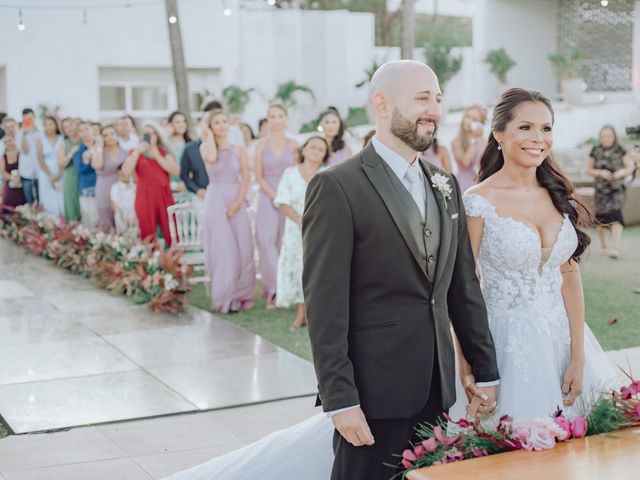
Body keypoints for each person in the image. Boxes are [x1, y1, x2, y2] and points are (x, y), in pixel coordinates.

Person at [164, 60, 499, 480]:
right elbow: (325, 304)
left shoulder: (445, 184)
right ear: (381, 103)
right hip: (373, 393)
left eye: (437, 99)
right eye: (421, 99)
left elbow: (461, 288)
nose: (433, 109)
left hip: (437, 388)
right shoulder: (337, 186)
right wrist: (341, 400)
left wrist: (485, 369)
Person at [450, 88, 621, 423]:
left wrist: (578, 357)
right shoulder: (477, 201)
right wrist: (465, 359)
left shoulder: (559, 195)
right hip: (504, 343)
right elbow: (461, 286)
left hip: (562, 339)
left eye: (546, 128)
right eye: (525, 127)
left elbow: (569, 277)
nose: (538, 138)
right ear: (499, 134)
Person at [200, 109, 255, 313]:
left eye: (224, 121)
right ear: (210, 126)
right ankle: (224, 296)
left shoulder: (239, 150)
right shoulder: (206, 148)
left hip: (235, 197)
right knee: (223, 248)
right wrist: (208, 135)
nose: (222, 125)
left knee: (243, 246)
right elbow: (212, 157)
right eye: (217, 123)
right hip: (215, 199)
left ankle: (243, 294)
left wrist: (238, 203)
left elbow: (246, 177)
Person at [274, 136, 329, 329]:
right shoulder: (290, 173)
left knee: (317, 270)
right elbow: (282, 201)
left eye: (321, 149)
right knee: (299, 269)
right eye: (312, 147)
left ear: (324, 156)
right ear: (304, 150)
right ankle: (300, 314)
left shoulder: (327, 175)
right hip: (295, 230)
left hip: (321, 230)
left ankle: (317, 314)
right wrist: (301, 221)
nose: (315, 151)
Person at [254, 102, 298, 307]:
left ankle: (287, 288)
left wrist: (286, 197)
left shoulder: (294, 144)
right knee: (265, 241)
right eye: (272, 116)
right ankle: (273, 289)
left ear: (286, 119)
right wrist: (274, 195)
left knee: (284, 242)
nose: (276, 120)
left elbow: (297, 172)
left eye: (280, 116)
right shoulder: (261, 144)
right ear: (268, 120)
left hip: (289, 198)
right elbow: (258, 174)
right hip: (267, 196)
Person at [122, 121, 179, 246]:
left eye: (152, 133)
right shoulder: (134, 152)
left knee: (171, 229)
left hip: (164, 194)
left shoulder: (164, 152)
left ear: (157, 136)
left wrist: (157, 156)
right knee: (147, 231)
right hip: (144, 194)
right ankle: (151, 261)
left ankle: (174, 261)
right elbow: (126, 172)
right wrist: (137, 152)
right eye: (146, 134)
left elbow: (175, 171)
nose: (150, 136)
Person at [585, 125, 636, 258]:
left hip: (617, 190)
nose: (606, 138)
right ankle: (603, 246)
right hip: (601, 191)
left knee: (616, 217)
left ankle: (614, 248)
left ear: (614, 137)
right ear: (600, 137)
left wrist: (622, 172)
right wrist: (600, 172)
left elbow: (631, 167)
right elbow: (588, 169)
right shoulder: (595, 150)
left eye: (609, 136)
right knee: (601, 220)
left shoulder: (620, 150)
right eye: (603, 136)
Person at [91, 125, 126, 232]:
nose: (110, 137)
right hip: (104, 190)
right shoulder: (99, 151)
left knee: (122, 221)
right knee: (107, 224)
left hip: (121, 191)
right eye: (105, 135)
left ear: (117, 135)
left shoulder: (125, 152)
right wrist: (99, 146)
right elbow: (97, 165)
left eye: (112, 134)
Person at [451, 104, 487, 192]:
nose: (469, 121)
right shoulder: (456, 142)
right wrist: (474, 141)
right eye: (468, 116)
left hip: (481, 184)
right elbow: (466, 162)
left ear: (480, 124)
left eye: (474, 119)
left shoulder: (484, 142)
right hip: (464, 186)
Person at [36, 116, 64, 217]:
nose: (48, 127)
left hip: (62, 171)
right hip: (46, 173)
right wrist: (51, 175)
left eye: (50, 124)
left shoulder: (62, 139)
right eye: (45, 125)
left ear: (56, 125)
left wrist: (59, 174)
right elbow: (40, 159)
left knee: (62, 198)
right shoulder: (40, 140)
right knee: (48, 200)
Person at [73, 121, 98, 228]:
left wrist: (88, 159)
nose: (84, 132)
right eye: (81, 130)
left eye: (86, 129)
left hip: (101, 185)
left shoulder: (100, 146)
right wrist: (88, 162)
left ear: (93, 130)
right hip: (86, 186)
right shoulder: (78, 150)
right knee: (89, 218)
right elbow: (80, 169)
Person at [57, 117, 82, 222]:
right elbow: (60, 163)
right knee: (72, 204)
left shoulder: (84, 139)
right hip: (70, 177)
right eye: (66, 127)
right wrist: (70, 154)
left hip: (85, 176)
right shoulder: (65, 143)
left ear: (76, 124)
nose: (69, 129)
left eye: (71, 125)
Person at [16, 108, 41, 205]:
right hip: (26, 171)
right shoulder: (20, 133)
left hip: (40, 170)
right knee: (29, 201)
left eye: (30, 118)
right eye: (25, 118)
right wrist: (24, 135)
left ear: (34, 117)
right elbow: (24, 151)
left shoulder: (41, 131)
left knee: (42, 200)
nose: (28, 120)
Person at [165, 111, 192, 197]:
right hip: (167, 187)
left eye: (184, 121)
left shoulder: (190, 143)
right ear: (170, 124)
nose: (182, 124)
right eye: (177, 122)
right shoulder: (165, 143)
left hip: (186, 188)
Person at [1, 134, 26, 213]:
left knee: (23, 209)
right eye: (6, 142)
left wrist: (19, 178)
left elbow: (26, 167)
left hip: (22, 185)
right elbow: (3, 172)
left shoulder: (21, 153)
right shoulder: (3, 157)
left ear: (14, 140)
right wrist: (13, 178)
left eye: (10, 140)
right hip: (10, 185)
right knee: (6, 209)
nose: (8, 143)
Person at [110, 164, 138, 234]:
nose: (121, 176)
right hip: (121, 219)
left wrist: (135, 219)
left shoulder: (136, 186)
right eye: (119, 174)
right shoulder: (115, 187)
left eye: (124, 174)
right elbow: (114, 205)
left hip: (135, 219)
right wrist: (123, 220)